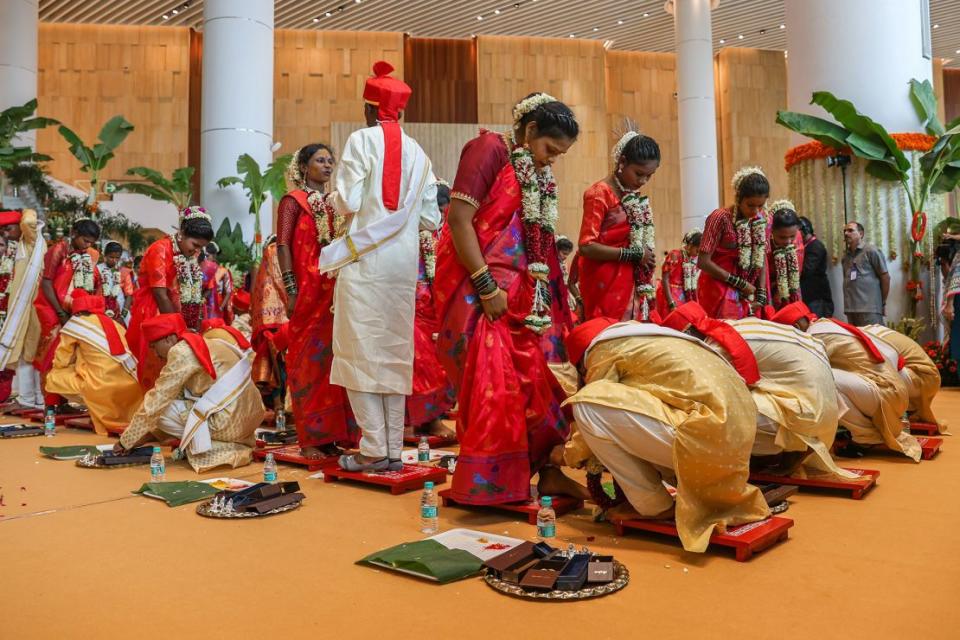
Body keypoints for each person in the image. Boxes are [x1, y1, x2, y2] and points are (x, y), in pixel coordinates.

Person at [434, 92, 586, 504]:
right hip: (478, 295)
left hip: (518, 298)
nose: (551, 159)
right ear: (530, 130)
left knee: (536, 385)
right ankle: (493, 483)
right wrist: (486, 287)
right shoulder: (488, 150)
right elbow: (460, 220)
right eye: (549, 149)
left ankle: (547, 473)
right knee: (495, 388)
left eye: (559, 155)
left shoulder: (531, 169)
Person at [563, 317, 769, 553]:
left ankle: (653, 506)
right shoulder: (655, 338)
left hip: (707, 438)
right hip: (740, 444)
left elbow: (595, 398)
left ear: (581, 363)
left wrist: (568, 454)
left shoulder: (602, 350)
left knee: (586, 404)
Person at [665, 302, 850, 478]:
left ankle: (793, 447)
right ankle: (785, 448)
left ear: (688, 335)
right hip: (827, 408)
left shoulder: (715, 347)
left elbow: (712, 393)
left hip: (810, 414)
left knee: (708, 415)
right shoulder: (736, 325)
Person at [276, 143, 355, 459]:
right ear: (304, 167)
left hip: (334, 296)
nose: (327, 165)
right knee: (306, 364)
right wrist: (291, 290)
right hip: (306, 296)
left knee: (333, 365)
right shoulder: (292, 203)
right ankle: (309, 438)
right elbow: (282, 246)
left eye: (330, 161)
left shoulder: (337, 205)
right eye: (320, 160)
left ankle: (331, 436)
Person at [769, 301, 920, 461]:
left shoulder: (814, 337)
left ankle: (865, 436)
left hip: (886, 392)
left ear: (797, 327)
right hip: (894, 388)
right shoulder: (824, 324)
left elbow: (807, 376)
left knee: (823, 382)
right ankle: (865, 431)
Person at [114, 313, 264, 472]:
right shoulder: (204, 343)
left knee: (159, 409)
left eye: (154, 346)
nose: (155, 354)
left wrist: (126, 441)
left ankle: (209, 447)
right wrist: (143, 437)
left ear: (168, 339)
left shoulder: (181, 351)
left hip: (227, 422)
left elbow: (158, 399)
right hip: (250, 421)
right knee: (172, 402)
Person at [578, 130, 660, 322]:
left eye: (649, 176)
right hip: (604, 280)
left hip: (630, 278)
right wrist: (634, 254)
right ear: (622, 162)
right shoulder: (599, 193)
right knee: (610, 335)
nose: (642, 182)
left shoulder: (632, 196)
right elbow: (586, 246)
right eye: (639, 174)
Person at [126, 207, 213, 390]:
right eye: (195, 245)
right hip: (156, 312)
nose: (197, 251)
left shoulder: (190, 253)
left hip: (179, 313)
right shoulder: (160, 249)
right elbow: (160, 293)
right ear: (181, 234)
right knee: (157, 366)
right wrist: (177, 328)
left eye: (200, 247)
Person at [44, 290, 142, 435]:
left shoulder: (76, 324)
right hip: (131, 386)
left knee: (52, 376)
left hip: (100, 386)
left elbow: (61, 359)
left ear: (76, 311)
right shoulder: (115, 323)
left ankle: (50, 418)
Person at [33, 218, 102, 406]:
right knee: (53, 354)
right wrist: (61, 313)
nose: (87, 246)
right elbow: (46, 283)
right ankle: (48, 401)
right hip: (52, 309)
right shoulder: (58, 250)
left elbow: (95, 282)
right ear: (74, 234)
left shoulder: (90, 255)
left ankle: (63, 400)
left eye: (91, 243)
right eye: (85, 241)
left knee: (71, 356)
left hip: (75, 313)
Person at [406, 182, 456, 440]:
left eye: (441, 208)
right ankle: (426, 421)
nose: (436, 214)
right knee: (422, 365)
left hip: (440, 307)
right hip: (412, 306)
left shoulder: (449, 231)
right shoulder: (408, 231)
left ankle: (426, 422)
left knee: (442, 363)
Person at [698, 166, 770, 319]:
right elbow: (703, 262)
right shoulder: (720, 218)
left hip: (748, 289)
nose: (756, 211)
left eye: (760, 206)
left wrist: (761, 292)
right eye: (750, 205)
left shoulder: (761, 220)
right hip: (718, 288)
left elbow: (761, 255)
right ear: (738, 199)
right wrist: (740, 283)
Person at [862, 323, 944, 432]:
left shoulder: (861, 338)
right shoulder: (867, 331)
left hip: (923, 376)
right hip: (925, 376)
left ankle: (890, 415)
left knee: (870, 372)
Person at [0, 209, 44, 409]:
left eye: (9, 229)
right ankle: (27, 398)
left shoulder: (31, 241)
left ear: (20, 227)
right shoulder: (18, 246)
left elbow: (29, 220)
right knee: (24, 351)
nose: (6, 234)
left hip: (34, 306)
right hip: (20, 309)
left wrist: (21, 214)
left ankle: (39, 398)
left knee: (34, 351)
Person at [249, 235, 288, 411]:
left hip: (275, 319)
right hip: (275, 322)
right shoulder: (274, 251)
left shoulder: (270, 255)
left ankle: (283, 406)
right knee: (277, 363)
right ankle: (281, 406)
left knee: (280, 364)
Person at [841, 221, 888, 326]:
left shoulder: (871, 251)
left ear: (861, 234)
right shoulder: (845, 257)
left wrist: (882, 302)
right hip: (851, 310)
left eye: (850, 230)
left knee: (874, 340)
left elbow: (885, 277)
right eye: (844, 231)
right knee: (857, 342)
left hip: (869, 309)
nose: (846, 233)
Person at [765, 201, 805, 312]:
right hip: (766, 290)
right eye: (782, 237)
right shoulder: (764, 242)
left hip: (790, 289)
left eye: (792, 236)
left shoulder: (797, 241)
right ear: (771, 232)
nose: (788, 241)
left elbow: (796, 274)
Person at [655, 229, 701, 317]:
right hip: (670, 295)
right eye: (697, 250)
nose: (697, 254)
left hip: (684, 296)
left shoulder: (692, 260)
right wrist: (671, 303)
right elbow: (665, 279)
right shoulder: (675, 255)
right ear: (690, 245)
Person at [798, 216, 833, 318]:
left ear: (805, 230)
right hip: (810, 297)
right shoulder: (806, 246)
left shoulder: (815, 246)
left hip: (817, 298)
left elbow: (806, 270)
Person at [202, 242, 234, 324]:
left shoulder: (223, 271)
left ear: (214, 255)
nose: (205, 258)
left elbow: (228, 291)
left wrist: (221, 307)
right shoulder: (202, 269)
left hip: (217, 304)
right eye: (204, 256)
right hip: (204, 303)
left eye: (207, 256)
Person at [97, 241, 127, 323]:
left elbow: (129, 295)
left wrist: (123, 316)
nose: (114, 260)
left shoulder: (124, 272)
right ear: (105, 255)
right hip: (100, 310)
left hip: (120, 312)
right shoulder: (97, 269)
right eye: (111, 257)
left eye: (117, 258)